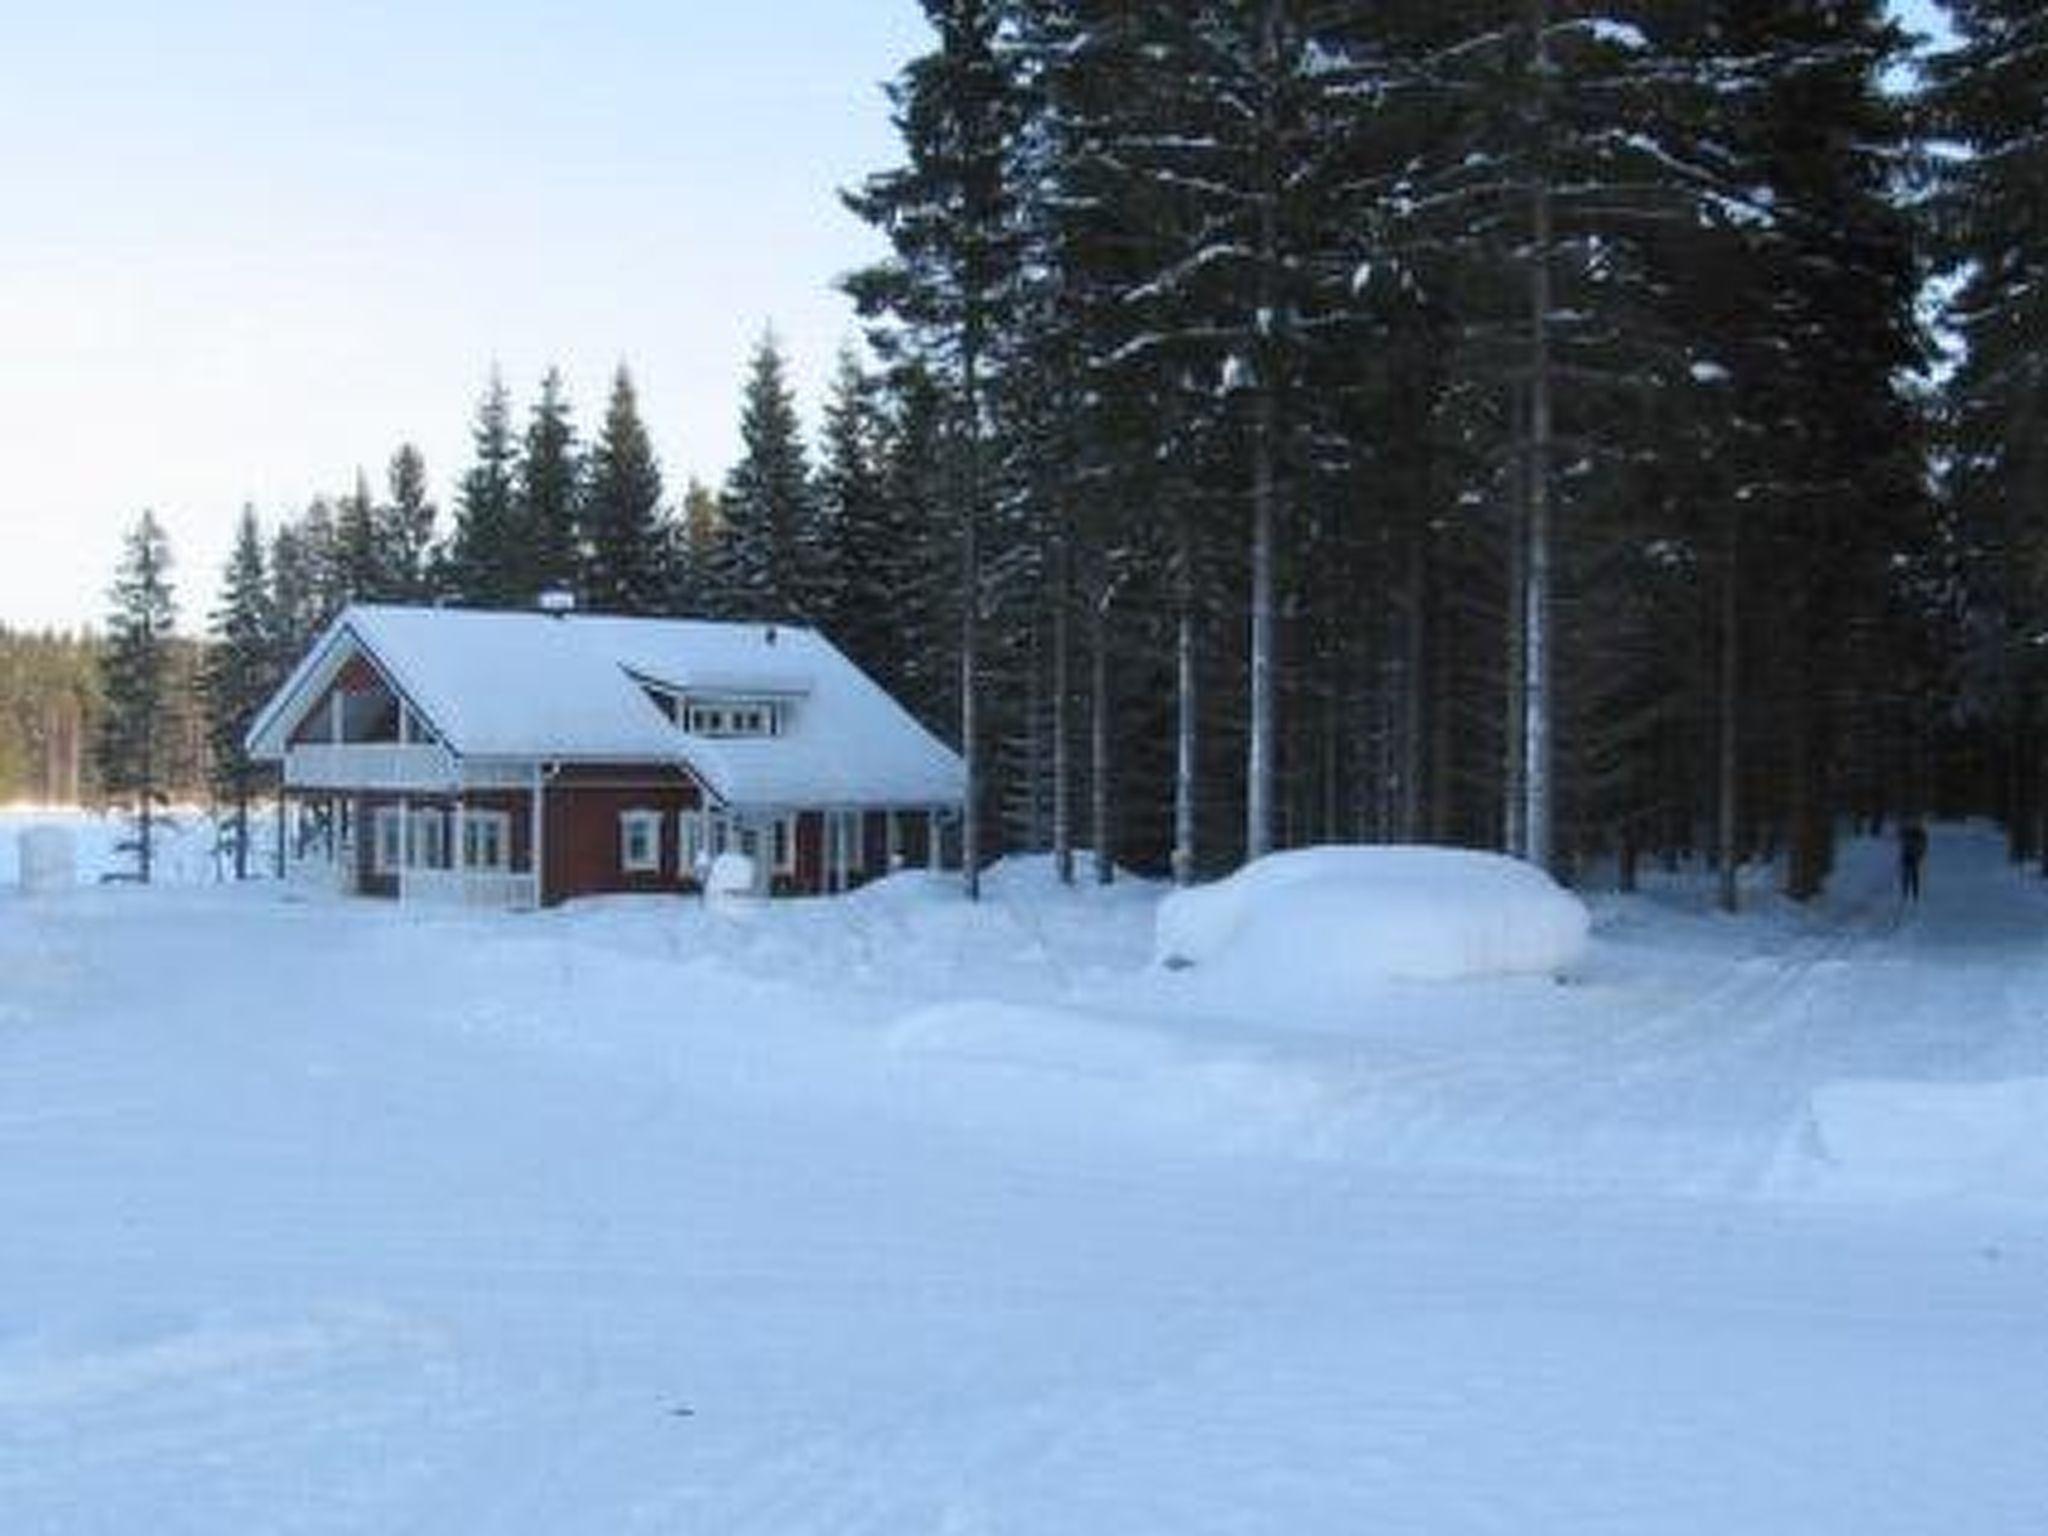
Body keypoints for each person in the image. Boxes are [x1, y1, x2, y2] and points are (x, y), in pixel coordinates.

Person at [1899, 820, 1927, 901]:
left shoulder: (1920, 832)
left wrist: (1921, 854)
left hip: (1914, 855)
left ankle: (1915, 893)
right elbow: (1901, 839)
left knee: (1914, 875)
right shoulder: (1906, 831)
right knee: (1906, 875)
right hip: (1907, 854)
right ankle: (1905, 893)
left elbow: (1923, 844)